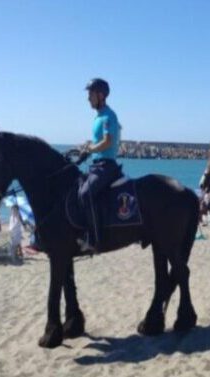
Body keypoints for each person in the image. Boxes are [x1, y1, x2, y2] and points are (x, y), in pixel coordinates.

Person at [77, 77, 123, 252]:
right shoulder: (98, 116)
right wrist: (86, 147)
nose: (88, 98)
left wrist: (90, 149)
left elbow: (107, 142)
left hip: (107, 165)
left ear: (101, 95)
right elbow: (97, 142)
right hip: (97, 164)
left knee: (85, 194)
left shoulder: (109, 116)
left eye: (90, 94)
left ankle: (95, 239)